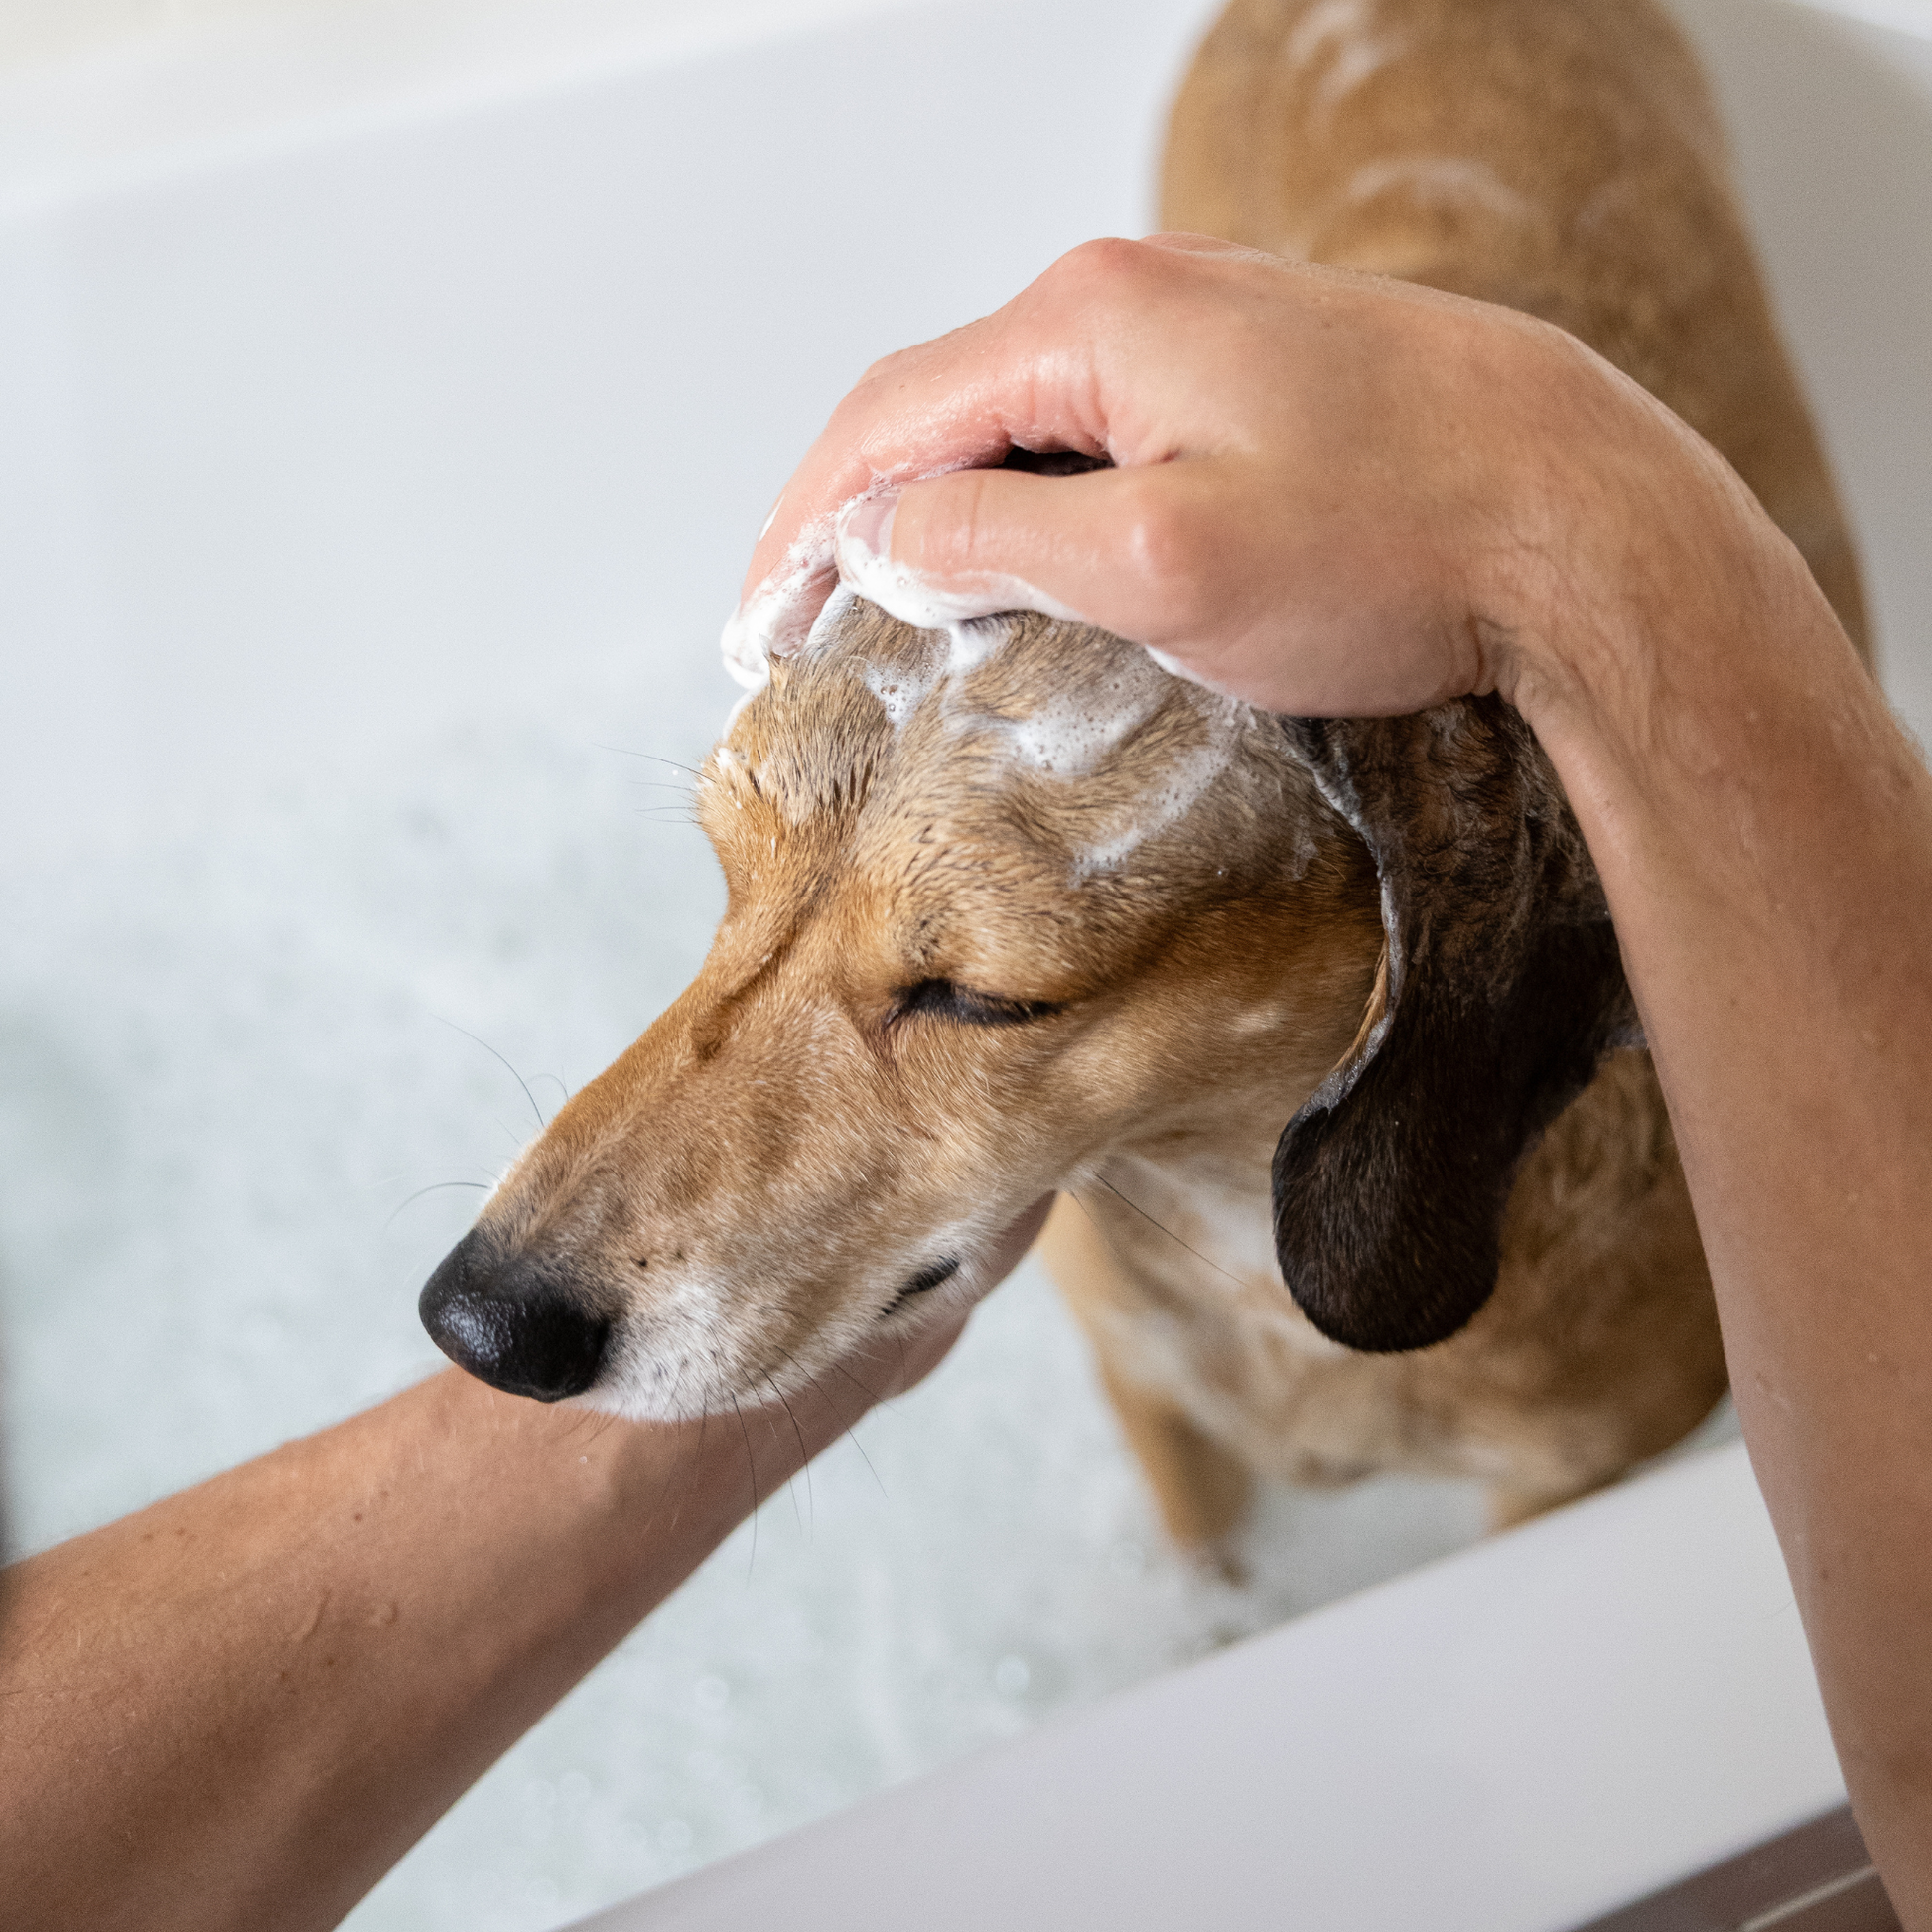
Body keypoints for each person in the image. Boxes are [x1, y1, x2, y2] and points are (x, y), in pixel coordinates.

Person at [5, 234, 1929, 1929]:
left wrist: (1570, 567)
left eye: (966, 981)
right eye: (727, 854)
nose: (544, 1223)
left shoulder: (1514, 1084)